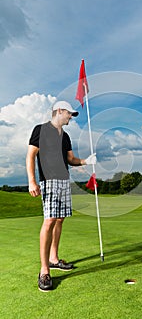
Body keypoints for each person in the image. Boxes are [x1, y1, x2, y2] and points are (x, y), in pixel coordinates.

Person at [26, 100, 96, 291]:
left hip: (64, 181)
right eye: (69, 114)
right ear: (59, 111)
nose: (70, 118)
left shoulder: (65, 136)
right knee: (49, 220)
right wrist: (32, 181)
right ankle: (44, 270)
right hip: (49, 181)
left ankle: (54, 258)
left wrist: (86, 161)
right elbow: (31, 155)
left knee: (60, 219)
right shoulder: (40, 130)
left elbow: (70, 159)